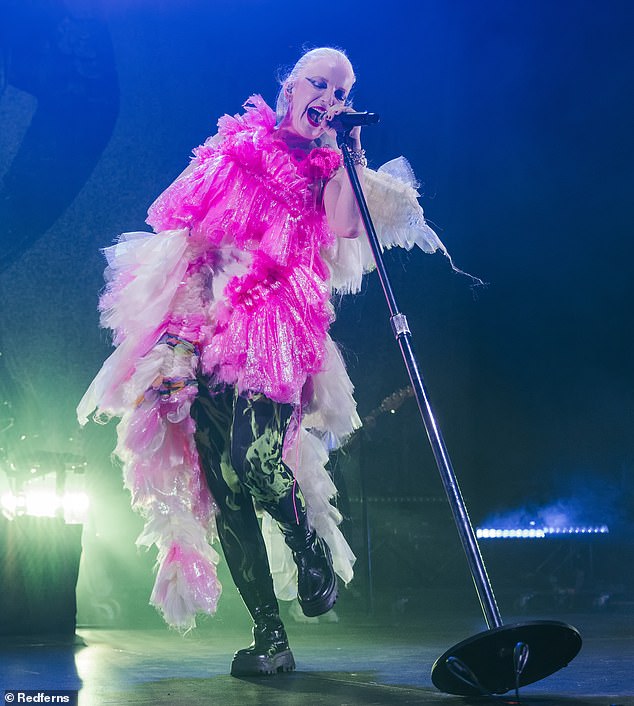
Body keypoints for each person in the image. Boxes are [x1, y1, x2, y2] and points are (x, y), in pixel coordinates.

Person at [77, 46, 453, 676]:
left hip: (279, 319)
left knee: (254, 455)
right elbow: (190, 236)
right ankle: (269, 638)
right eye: (321, 86)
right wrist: (177, 339)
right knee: (223, 487)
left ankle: (308, 549)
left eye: (341, 93)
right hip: (208, 325)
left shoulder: (332, 165)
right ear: (289, 88)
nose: (330, 100)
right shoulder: (234, 149)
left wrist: (350, 157)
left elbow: (342, 224)